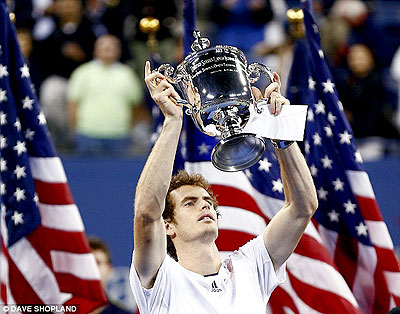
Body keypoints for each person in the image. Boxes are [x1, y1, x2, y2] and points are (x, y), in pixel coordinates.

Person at [128, 61, 318, 314]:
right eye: (189, 202)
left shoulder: (250, 266)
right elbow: (146, 213)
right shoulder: (160, 277)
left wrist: (281, 131)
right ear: (168, 226)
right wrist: (173, 121)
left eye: (207, 201)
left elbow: (302, 207)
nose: (205, 204)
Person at [67, 34, 148, 155]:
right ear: (95, 50)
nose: (108, 49)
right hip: (87, 136)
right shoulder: (82, 73)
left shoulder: (127, 74)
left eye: (112, 47)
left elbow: (136, 106)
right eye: (104, 46)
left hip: (120, 137)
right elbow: (73, 104)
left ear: (119, 51)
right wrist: (75, 130)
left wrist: (127, 127)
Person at [89, 237, 136, 314]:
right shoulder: (64, 308)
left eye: (97, 263)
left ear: (109, 270)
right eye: (88, 262)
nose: (91, 267)